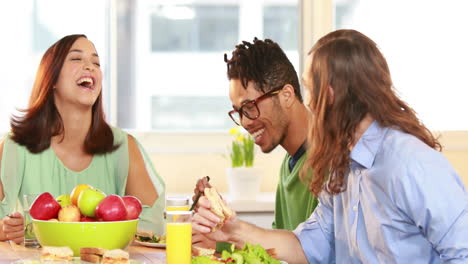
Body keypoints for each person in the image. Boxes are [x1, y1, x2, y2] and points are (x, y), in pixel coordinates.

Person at [192, 29, 468, 263]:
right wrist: (233, 231)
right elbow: (304, 245)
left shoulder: (411, 162)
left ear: (332, 94)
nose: (308, 103)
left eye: (311, 89)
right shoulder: (342, 169)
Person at [0, 34, 165, 244]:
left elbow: (153, 228)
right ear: (51, 79)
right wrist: (6, 230)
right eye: (76, 59)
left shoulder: (123, 147)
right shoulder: (16, 146)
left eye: (96, 62)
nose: (90, 67)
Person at [194, 38, 318, 234]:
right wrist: (221, 233)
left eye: (250, 107)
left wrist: (232, 233)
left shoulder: (328, 163)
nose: (245, 122)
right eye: (238, 112)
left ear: (286, 95)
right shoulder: (290, 163)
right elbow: (279, 251)